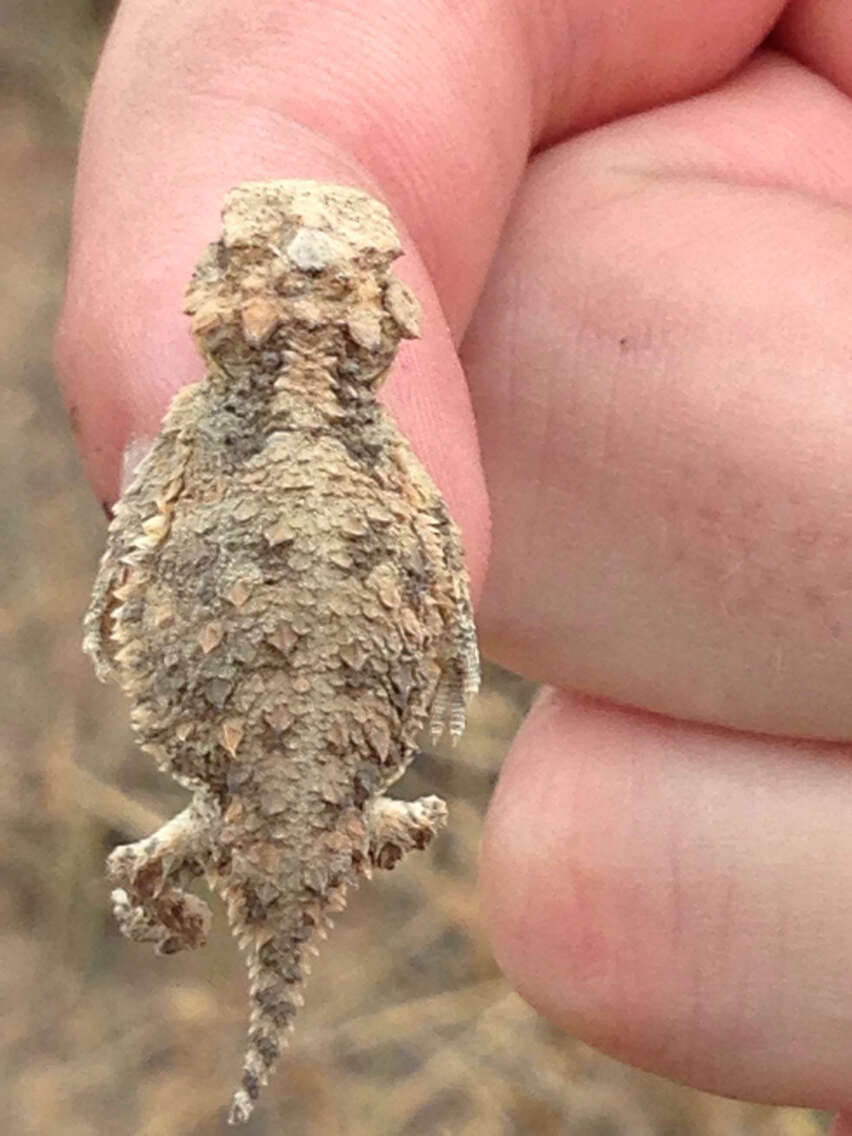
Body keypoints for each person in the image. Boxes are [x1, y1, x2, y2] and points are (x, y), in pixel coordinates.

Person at [56, 2, 852, 1131]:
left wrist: (125, 593)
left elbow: (144, 547)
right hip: (303, 740)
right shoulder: (387, 455)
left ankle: (254, 964)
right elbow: (432, 552)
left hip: (275, 743)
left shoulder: (212, 432)